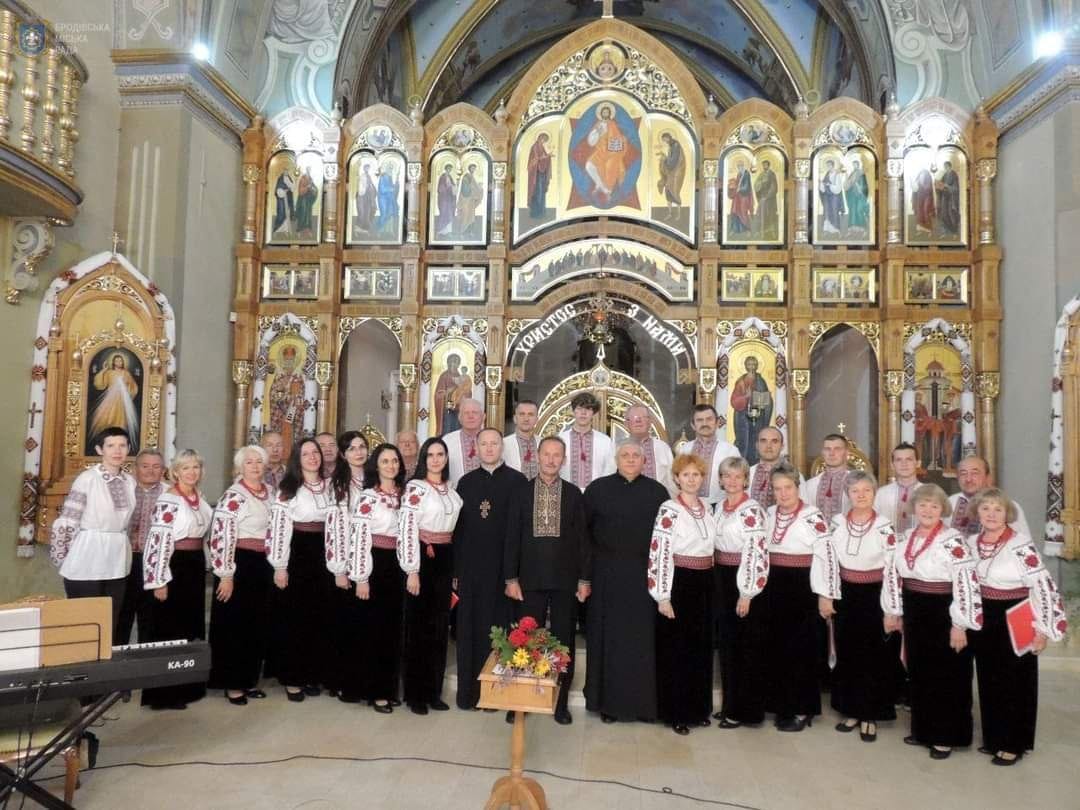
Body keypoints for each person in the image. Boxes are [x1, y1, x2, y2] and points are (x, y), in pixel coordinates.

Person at [969, 488, 1067, 766]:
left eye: (997, 509)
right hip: (984, 615)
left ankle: (1014, 742)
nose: (991, 514)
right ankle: (993, 738)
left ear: (1007, 514)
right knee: (989, 678)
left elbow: (1043, 586)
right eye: (986, 508)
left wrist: (1043, 628)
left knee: (1016, 681)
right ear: (978, 512)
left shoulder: (1020, 544)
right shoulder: (972, 541)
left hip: (1017, 613)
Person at [505, 436, 589, 725]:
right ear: (537, 457)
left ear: (563, 460)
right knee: (525, 640)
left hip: (565, 581)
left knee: (564, 642)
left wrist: (584, 579)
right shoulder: (521, 492)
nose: (551, 460)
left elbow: (583, 541)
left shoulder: (575, 494)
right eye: (546, 454)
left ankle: (560, 702)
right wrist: (510, 578)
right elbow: (511, 538)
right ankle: (521, 701)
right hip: (529, 580)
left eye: (557, 455)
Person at [583, 440, 669, 722]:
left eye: (636, 456)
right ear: (616, 459)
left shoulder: (657, 492)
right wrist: (584, 577)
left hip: (645, 577)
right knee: (608, 641)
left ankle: (644, 705)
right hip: (605, 575)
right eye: (625, 455)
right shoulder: (597, 489)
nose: (631, 459)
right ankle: (608, 705)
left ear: (644, 461)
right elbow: (583, 537)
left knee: (642, 641)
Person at [893, 484, 981, 759]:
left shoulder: (953, 540)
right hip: (915, 608)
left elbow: (966, 582)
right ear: (913, 508)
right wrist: (894, 610)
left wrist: (960, 624)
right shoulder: (907, 537)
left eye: (934, 506)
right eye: (922, 505)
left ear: (942, 509)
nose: (928, 510)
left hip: (944, 610)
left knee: (948, 674)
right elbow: (895, 574)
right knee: (920, 670)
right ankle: (923, 730)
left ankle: (946, 735)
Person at [761, 463, 839, 732]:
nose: (783, 494)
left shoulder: (812, 516)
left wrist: (825, 594)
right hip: (774, 586)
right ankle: (781, 704)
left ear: (798, 488)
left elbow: (826, 555)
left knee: (801, 650)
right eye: (777, 488)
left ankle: (803, 708)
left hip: (802, 587)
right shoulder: (769, 514)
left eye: (788, 488)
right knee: (777, 648)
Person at [453, 429, 527, 710]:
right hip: (471, 570)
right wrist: (457, 571)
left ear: (501, 447)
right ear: (476, 448)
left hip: (504, 571)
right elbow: (457, 531)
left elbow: (521, 530)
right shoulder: (466, 482)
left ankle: (497, 694)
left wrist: (515, 572)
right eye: (483, 443)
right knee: (470, 631)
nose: (489, 448)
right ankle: (469, 694)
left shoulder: (518, 481)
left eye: (494, 443)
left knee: (500, 631)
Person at [828, 471, 902, 742]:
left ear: (874, 494)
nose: (861, 495)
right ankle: (851, 710)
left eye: (866, 490)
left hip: (875, 594)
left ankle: (870, 713)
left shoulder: (884, 526)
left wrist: (892, 608)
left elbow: (893, 568)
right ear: (848, 494)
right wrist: (827, 594)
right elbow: (828, 560)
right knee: (847, 651)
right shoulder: (837, 523)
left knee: (874, 655)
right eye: (855, 490)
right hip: (845, 593)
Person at [648, 454, 716, 735]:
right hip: (678, 581)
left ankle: (698, 708)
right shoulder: (669, 509)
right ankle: (676, 711)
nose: (691, 479)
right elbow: (659, 551)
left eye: (696, 475)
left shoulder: (707, 508)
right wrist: (662, 596)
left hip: (704, 580)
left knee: (700, 647)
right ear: (676, 478)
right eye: (686, 475)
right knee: (677, 649)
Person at [142, 449, 212, 710]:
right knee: (170, 628)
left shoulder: (199, 498)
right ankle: (165, 694)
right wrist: (159, 580)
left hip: (193, 566)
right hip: (173, 566)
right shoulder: (169, 499)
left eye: (196, 467)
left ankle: (189, 687)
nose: (192, 472)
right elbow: (158, 541)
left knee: (189, 627)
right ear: (175, 472)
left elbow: (205, 536)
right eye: (186, 468)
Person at [49, 427, 136, 636]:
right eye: (111, 446)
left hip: (117, 556)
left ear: (128, 449)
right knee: (85, 620)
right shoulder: (88, 479)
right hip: (88, 554)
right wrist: (63, 558)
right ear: (99, 450)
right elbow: (69, 520)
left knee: (110, 620)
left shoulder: (130, 482)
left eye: (122, 445)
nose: (117, 451)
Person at [399, 437, 464, 714]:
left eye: (441, 454)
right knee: (419, 629)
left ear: (446, 459)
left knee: (439, 628)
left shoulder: (451, 490)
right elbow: (406, 528)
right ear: (424, 459)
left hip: (444, 557)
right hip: (423, 557)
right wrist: (412, 570)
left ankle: (434, 692)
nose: (436, 459)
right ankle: (416, 694)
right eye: (431, 455)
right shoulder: (416, 488)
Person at [267, 438, 335, 702]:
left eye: (315, 452)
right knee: (296, 617)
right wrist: (280, 566)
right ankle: (293, 678)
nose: (312, 457)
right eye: (306, 453)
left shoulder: (331, 486)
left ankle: (313, 673)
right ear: (298, 458)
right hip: (298, 553)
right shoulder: (288, 488)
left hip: (325, 553)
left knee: (320, 615)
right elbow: (279, 529)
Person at [208, 445, 274, 706]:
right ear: (239, 467)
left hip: (263, 563)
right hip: (238, 563)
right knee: (235, 626)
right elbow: (220, 535)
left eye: (259, 462)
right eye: (249, 462)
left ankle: (248, 679)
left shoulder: (270, 493)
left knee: (256, 625)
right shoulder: (233, 496)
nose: (255, 466)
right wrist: (225, 574)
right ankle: (232, 683)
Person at [347, 443, 408, 713]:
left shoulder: (406, 495)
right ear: (376, 465)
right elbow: (359, 537)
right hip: (374, 563)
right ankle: (375, 692)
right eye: (385, 461)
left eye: (395, 461)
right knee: (374, 630)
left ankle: (389, 687)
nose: (391, 465)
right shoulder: (367, 497)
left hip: (398, 564)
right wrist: (361, 576)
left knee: (393, 631)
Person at [711, 456, 769, 728]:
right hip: (721, 576)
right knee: (727, 646)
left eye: (738, 476)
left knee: (746, 648)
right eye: (727, 476)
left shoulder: (752, 510)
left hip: (744, 580)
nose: (732, 481)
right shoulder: (719, 509)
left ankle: (745, 710)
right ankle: (728, 705)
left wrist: (746, 593)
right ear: (720, 479)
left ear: (746, 479)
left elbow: (757, 553)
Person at [326, 431, 370, 702]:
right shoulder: (338, 483)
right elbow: (336, 528)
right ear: (343, 454)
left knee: (366, 624)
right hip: (346, 559)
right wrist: (340, 568)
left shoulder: (375, 478)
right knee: (346, 624)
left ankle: (364, 678)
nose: (358, 452)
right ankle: (341, 680)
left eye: (362, 447)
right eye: (352, 448)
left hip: (370, 558)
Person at [117, 448, 164, 645]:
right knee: (121, 614)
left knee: (151, 616)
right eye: (145, 466)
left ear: (163, 470)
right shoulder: (123, 489)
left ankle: (146, 662)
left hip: (153, 562)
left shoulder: (169, 493)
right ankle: (117, 659)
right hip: (124, 561)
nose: (150, 471)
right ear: (135, 468)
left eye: (156, 467)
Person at [948, 456, 1031, 537]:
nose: (968, 479)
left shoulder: (1007, 505)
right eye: (963, 473)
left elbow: (1025, 545)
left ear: (988, 478)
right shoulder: (949, 502)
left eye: (975, 473)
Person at [677, 404, 740, 506]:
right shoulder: (684, 450)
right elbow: (677, 481)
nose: (704, 423)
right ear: (693, 425)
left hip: (719, 507)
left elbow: (737, 483)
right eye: (699, 420)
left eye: (709, 419)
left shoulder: (730, 451)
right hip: (688, 506)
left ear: (717, 423)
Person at [559, 392, 615, 491]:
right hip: (566, 493)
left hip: (596, 494)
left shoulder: (605, 441)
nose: (583, 413)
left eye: (588, 409)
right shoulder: (560, 439)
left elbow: (610, 469)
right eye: (580, 408)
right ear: (573, 411)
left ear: (594, 413)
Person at [88, 353, 140, 450]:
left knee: (121, 421)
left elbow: (133, 388)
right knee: (105, 419)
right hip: (109, 400)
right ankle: (105, 441)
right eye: (116, 360)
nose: (118, 362)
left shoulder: (126, 373)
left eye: (120, 360)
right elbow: (100, 384)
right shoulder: (109, 373)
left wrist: (127, 388)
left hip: (122, 401)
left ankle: (120, 441)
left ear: (123, 362)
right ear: (113, 362)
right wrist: (103, 370)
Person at [800, 434, 851, 522]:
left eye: (837, 449)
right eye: (827, 449)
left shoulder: (857, 483)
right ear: (822, 453)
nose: (832, 453)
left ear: (846, 453)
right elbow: (804, 515)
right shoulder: (809, 485)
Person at [731, 356, 773, 464]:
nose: (751, 367)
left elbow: (766, 401)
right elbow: (734, 401)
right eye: (749, 364)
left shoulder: (761, 381)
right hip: (743, 417)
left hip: (758, 417)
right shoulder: (740, 381)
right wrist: (746, 397)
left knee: (755, 440)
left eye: (754, 364)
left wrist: (764, 399)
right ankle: (742, 463)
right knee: (744, 441)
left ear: (757, 366)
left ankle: (755, 463)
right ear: (745, 366)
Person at [625, 405, 674, 495]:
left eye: (643, 417)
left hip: (658, 503)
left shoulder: (663, 448)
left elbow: (672, 483)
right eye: (634, 418)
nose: (638, 421)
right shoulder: (617, 448)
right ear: (626, 423)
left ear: (650, 422)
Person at [875, 443, 920, 534]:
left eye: (909, 459)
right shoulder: (881, 493)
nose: (904, 464)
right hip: (887, 545)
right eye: (899, 460)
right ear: (892, 465)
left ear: (918, 463)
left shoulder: (929, 492)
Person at [444, 397, 486, 486]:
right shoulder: (447, 441)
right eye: (466, 413)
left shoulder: (494, 440)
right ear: (459, 417)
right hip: (456, 495)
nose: (470, 416)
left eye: (474, 412)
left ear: (483, 417)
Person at [748, 426, 784, 509]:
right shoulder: (746, 474)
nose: (768, 446)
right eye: (763, 441)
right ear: (757, 445)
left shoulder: (794, 475)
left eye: (774, 441)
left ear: (782, 446)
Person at [502, 400, 540, 480]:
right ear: (515, 418)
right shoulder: (503, 444)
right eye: (522, 414)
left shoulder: (544, 443)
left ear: (536, 419)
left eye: (530, 414)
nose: (526, 419)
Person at [527, 132, 553, 219]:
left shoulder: (541, 147)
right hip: (535, 175)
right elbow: (535, 159)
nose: (543, 142)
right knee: (538, 192)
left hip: (541, 174)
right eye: (543, 140)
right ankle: (536, 212)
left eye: (545, 141)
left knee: (541, 192)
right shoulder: (534, 147)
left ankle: (541, 211)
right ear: (539, 138)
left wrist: (548, 157)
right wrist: (546, 157)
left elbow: (543, 158)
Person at [754, 159, 778, 239]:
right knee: (760, 214)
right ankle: (760, 232)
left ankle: (772, 233)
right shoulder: (761, 174)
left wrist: (767, 197)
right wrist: (759, 184)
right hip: (762, 198)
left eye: (765, 165)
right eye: (763, 165)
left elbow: (773, 187)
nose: (764, 166)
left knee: (770, 215)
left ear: (768, 165)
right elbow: (756, 183)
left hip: (769, 199)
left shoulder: (771, 174)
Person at [936, 160, 961, 236]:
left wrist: (947, 186)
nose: (945, 168)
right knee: (944, 213)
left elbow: (955, 188)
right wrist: (938, 185)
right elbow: (942, 184)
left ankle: (954, 230)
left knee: (951, 213)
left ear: (950, 166)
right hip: (945, 196)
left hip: (952, 198)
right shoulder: (945, 175)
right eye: (945, 167)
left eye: (946, 167)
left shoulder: (954, 175)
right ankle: (947, 229)